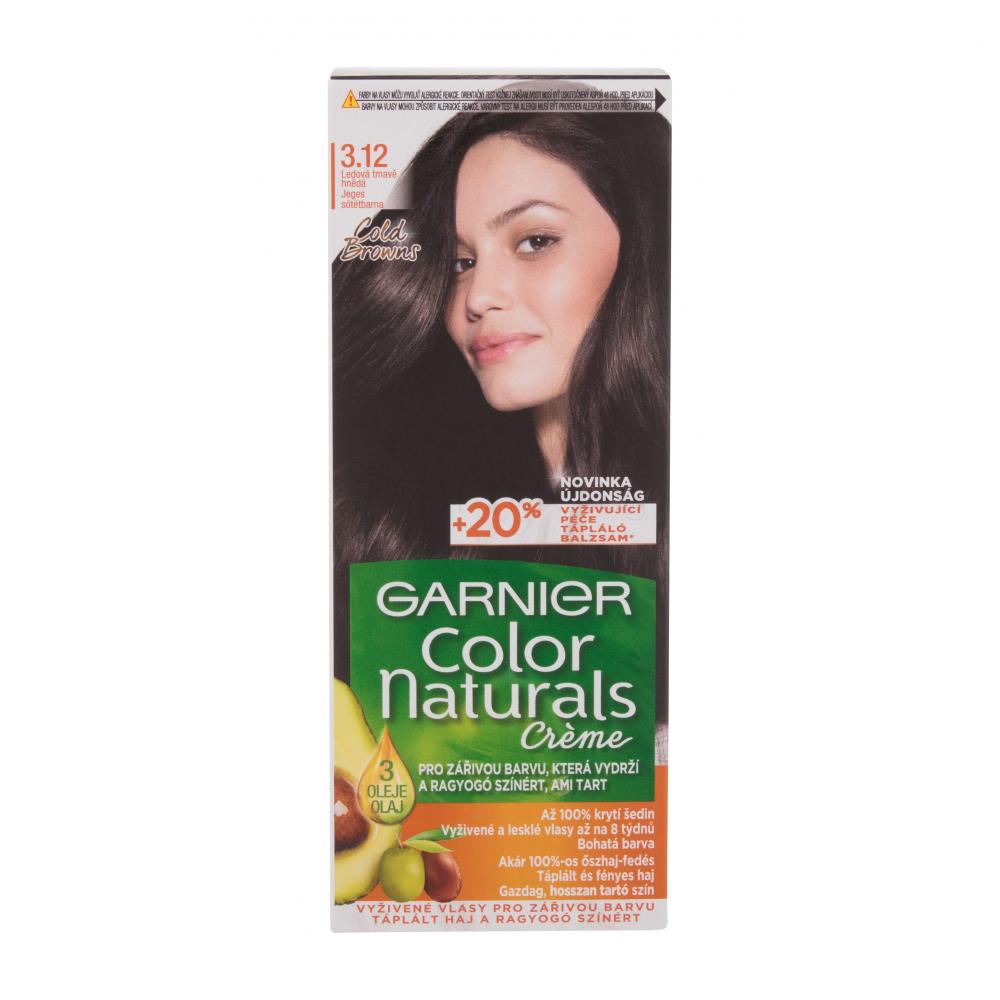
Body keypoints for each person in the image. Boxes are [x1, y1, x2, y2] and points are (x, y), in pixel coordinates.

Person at [332, 107, 671, 733]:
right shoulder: (387, 529)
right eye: (460, 262)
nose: (478, 296)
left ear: (646, 242)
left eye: (534, 241)